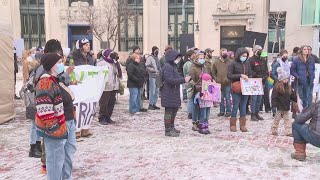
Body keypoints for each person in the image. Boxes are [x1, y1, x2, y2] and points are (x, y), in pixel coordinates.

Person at [35, 52, 76, 180]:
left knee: (67, 157)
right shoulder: (45, 82)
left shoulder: (57, 79)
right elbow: (44, 111)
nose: (61, 64)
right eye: (59, 62)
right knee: (55, 161)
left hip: (67, 123)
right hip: (55, 129)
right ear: (52, 65)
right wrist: (55, 129)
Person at [161, 49, 191, 137]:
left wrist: (184, 78)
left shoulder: (173, 66)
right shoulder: (167, 66)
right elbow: (169, 80)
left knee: (174, 110)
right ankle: (167, 129)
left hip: (174, 92)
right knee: (168, 112)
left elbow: (177, 77)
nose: (178, 60)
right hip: (168, 92)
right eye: (177, 58)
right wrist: (183, 80)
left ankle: (172, 126)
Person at [227, 47, 252, 132]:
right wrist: (240, 75)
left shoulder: (247, 63)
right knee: (236, 105)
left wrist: (249, 78)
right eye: (243, 55)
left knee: (244, 106)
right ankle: (233, 124)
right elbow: (229, 76)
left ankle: (243, 124)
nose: (244, 57)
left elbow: (250, 73)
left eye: (246, 56)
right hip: (236, 87)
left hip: (245, 87)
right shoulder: (232, 63)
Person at [271, 67, 296, 136]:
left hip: (286, 106)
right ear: (281, 80)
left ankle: (288, 131)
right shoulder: (277, 87)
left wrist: (296, 99)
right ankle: (274, 130)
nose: (286, 80)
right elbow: (274, 97)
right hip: (279, 106)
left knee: (287, 119)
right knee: (277, 119)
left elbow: (291, 95)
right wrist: (274, 106)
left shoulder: (288, 87)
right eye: (284, 79)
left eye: (287, 78)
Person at [189, 51, 210, 131]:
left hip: (206, 90)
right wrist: (197, 86)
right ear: (197, 59)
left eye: (203, 58)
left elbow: (209, 76)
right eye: (200, 58)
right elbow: (190, 80)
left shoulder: (205, 67)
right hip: (196, 90)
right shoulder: (193, 67)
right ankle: (195, 123)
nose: (202, 59)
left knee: (204, 108)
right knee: (196, 107)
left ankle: (203, 123)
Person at [97, 49, 119, 125]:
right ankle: (102, 118)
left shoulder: (114, 63)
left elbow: (118, 73)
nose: (111, 56)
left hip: (113, 86)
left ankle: (108, 117)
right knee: (104, 103)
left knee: (111, 103)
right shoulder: (101, 63)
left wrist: (116, 62)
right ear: (106, 55)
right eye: (110, 54)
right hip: (105, 87)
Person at [248, 45, 268, 121]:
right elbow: (250, 70)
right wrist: (257, 75)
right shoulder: (251, 60)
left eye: (261, 50)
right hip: (254, 81)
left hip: (262, 81)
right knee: (254, 98)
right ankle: (252, 114)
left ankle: (257, 113)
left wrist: (265, 76)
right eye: (259, 50)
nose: (261, 51)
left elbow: (266, 69)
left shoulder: (263, 60)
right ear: (255, 51)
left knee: (259, 98)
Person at [212, 48, 232, 117]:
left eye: (226, 53)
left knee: (227, 97)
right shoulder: (216, 62)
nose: (225, 54)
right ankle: (221, 111)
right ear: (220, 53)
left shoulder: (230, 62)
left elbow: (232, 71)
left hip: (227, 82)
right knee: (220, 98)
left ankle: (229, 111)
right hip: (219, 83)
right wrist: (216, 79)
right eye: (223, 53)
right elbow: (213, 71)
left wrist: (229, 78)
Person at [183, 49, 196, 119]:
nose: (195, 55)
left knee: (190, 97)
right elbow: (190, 73)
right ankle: (190, 113)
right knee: (190, 98)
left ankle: (190, 112)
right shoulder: (189, 64)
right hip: (190, 82)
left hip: (188, 82)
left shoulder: (187, 63)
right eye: (194, 54)